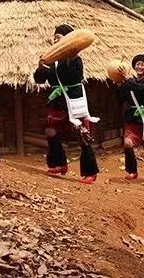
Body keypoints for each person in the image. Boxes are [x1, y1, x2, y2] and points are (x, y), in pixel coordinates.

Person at [34, 24, 99, 184]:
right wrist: (40, 68)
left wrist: (70, 58)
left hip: (73, 99)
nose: (55, 39)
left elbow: (73, 77)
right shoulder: (51, 60)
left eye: (59, 37)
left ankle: (90, 172)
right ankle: (59, 164)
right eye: (54, 37)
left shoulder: (76, 59)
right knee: (50, 130)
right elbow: (39, 80)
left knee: (82, 135)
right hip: (57, 99)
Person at [116, 54, 144, 188]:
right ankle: (132, 171)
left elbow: (140, 89)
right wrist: (118, 84)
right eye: (137, 64)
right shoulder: (129, 81)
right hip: (132, 118)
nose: (139, 67)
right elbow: (121, 98)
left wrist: (127, 79)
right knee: (128, 143)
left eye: (142, 65)